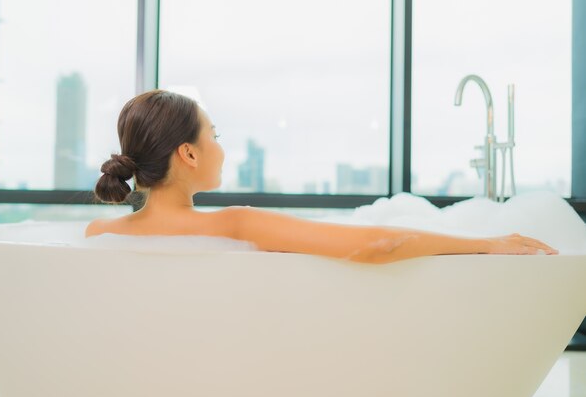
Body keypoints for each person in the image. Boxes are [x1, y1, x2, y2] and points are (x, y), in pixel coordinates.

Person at [85, 89, 558, 264]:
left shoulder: (98, 233)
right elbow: (378, 245)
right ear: (188, 153)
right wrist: (487, 245)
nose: (221, 147)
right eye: (215, 134)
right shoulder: (232, 226)